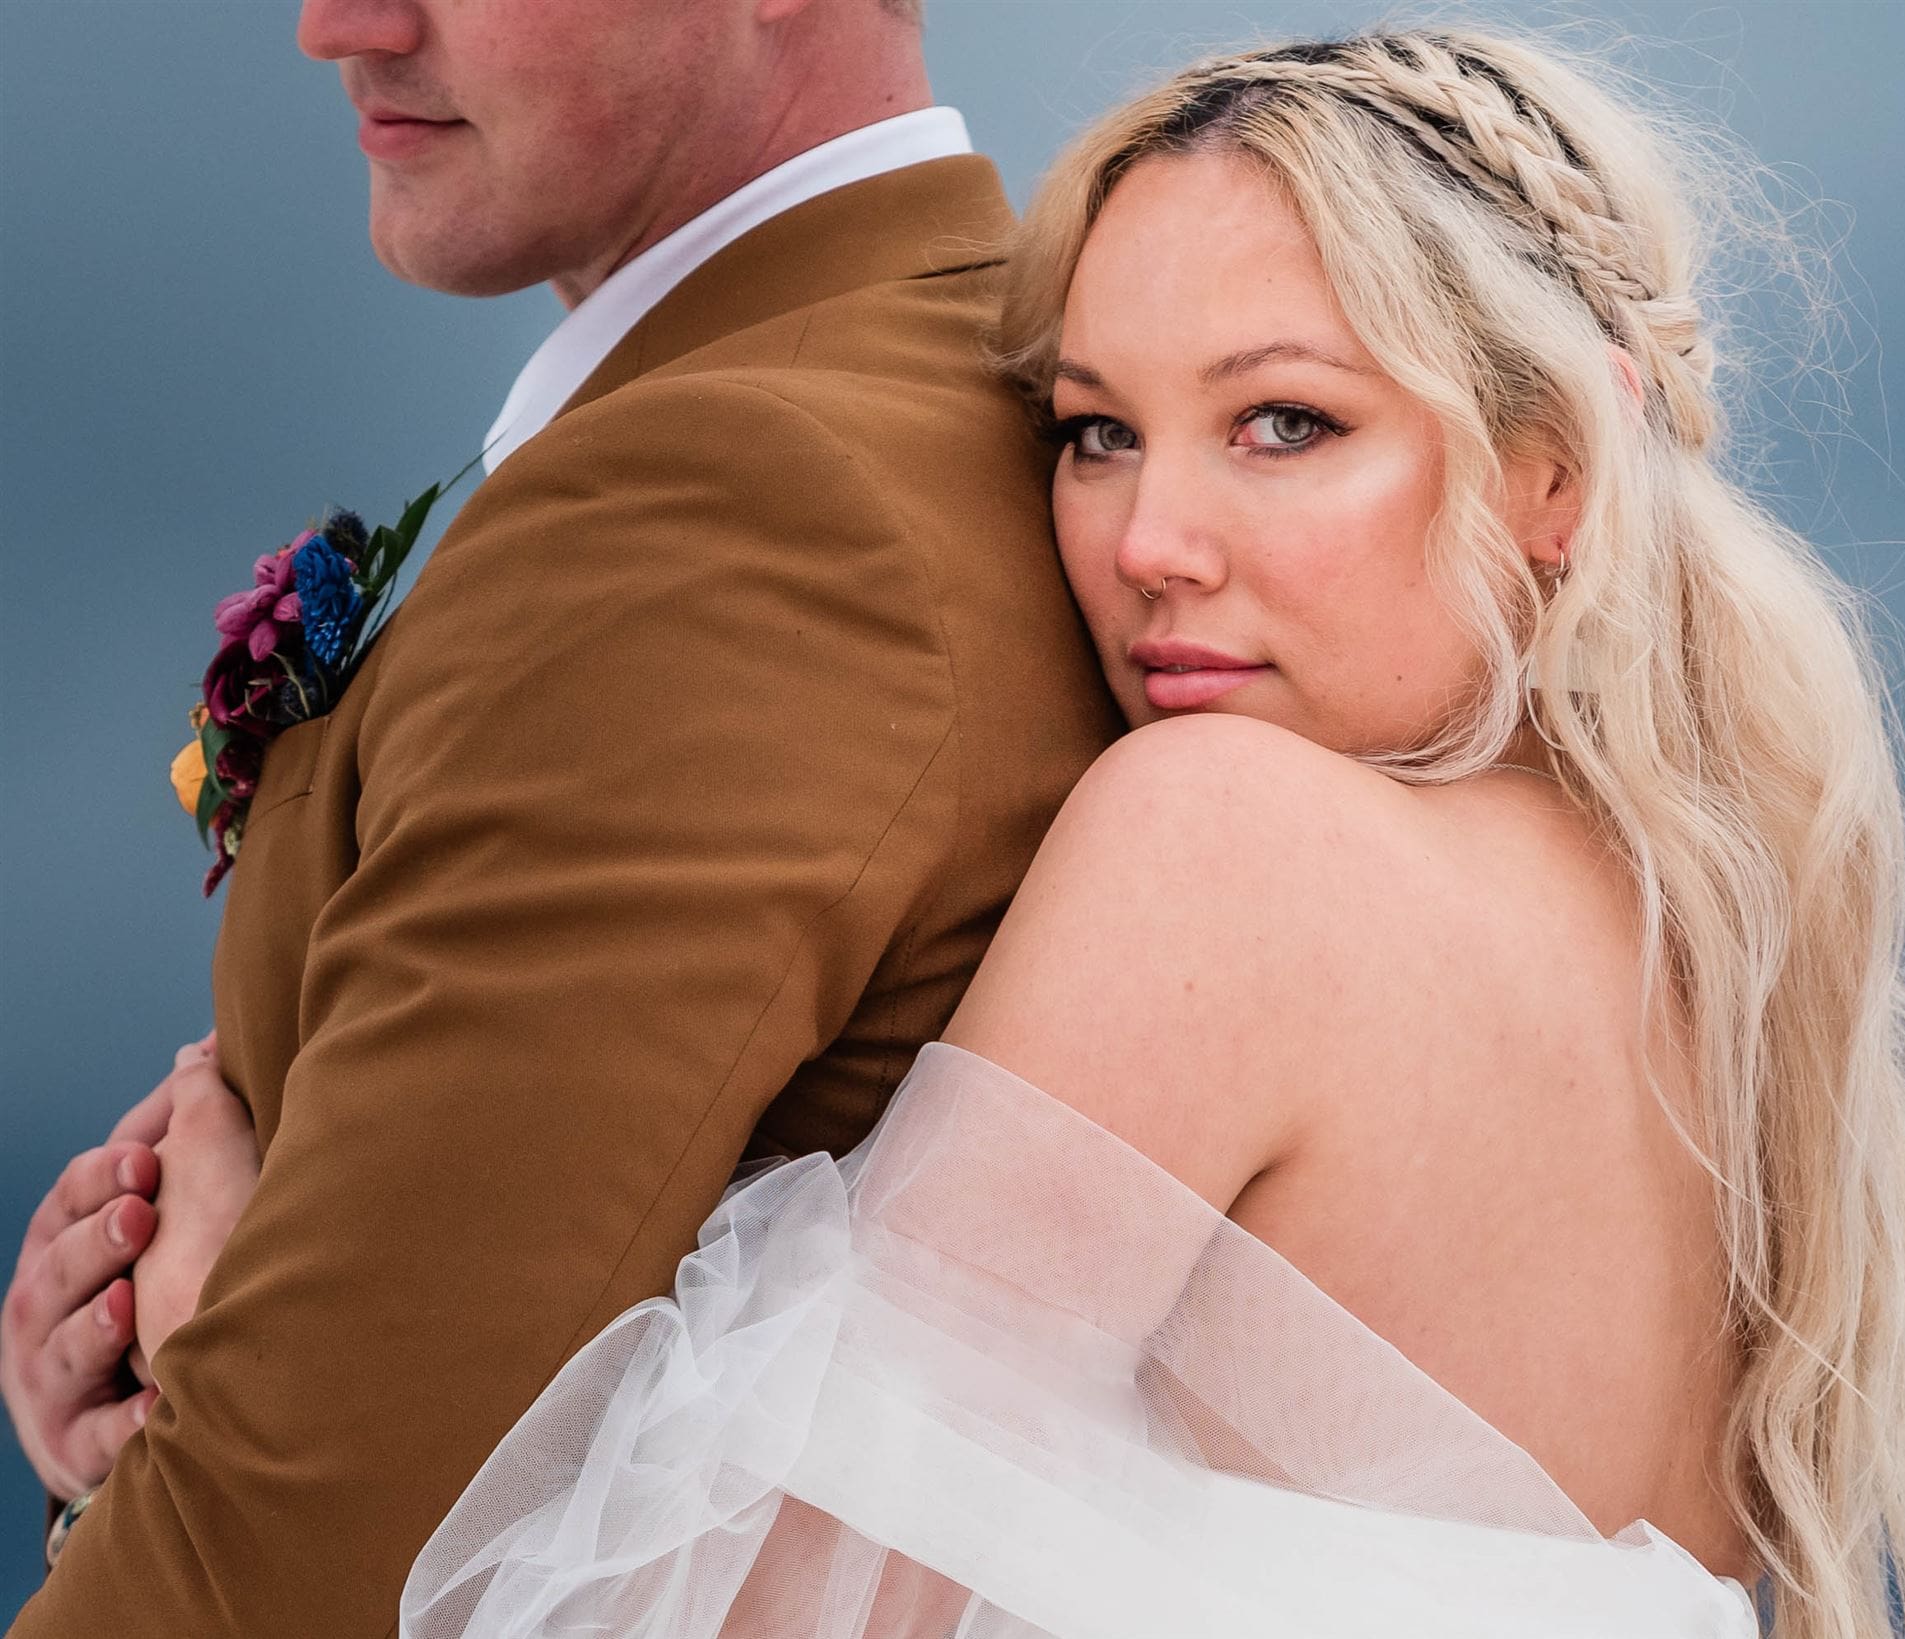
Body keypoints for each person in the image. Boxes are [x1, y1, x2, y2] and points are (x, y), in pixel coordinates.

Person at [20, 19, 1905, 1639]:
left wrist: (219, 1344)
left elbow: (749, 1622)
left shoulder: (1222, 842)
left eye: (1283, 423)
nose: (1147, 541)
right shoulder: (1698, 927)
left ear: (1547, 470)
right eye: (1093, 428)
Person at [1, 0, 1117, 1630]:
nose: (336, 28)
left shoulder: (731, 503)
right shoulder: (895, 389)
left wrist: (197, 1457)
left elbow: (295, 1563)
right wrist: (148, 1432)